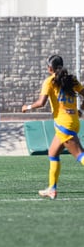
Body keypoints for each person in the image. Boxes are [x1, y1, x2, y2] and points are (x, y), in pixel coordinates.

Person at [22, 54, 84, 200]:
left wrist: (27, 107)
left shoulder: (50, 81)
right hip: (73, 122)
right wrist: (80, 110)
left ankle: (52, 188)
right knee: (53, 153)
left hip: (64, 124)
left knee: (80, 155)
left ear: (50, 68)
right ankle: (52, 189)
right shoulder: (71, 79)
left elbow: (41, 102)